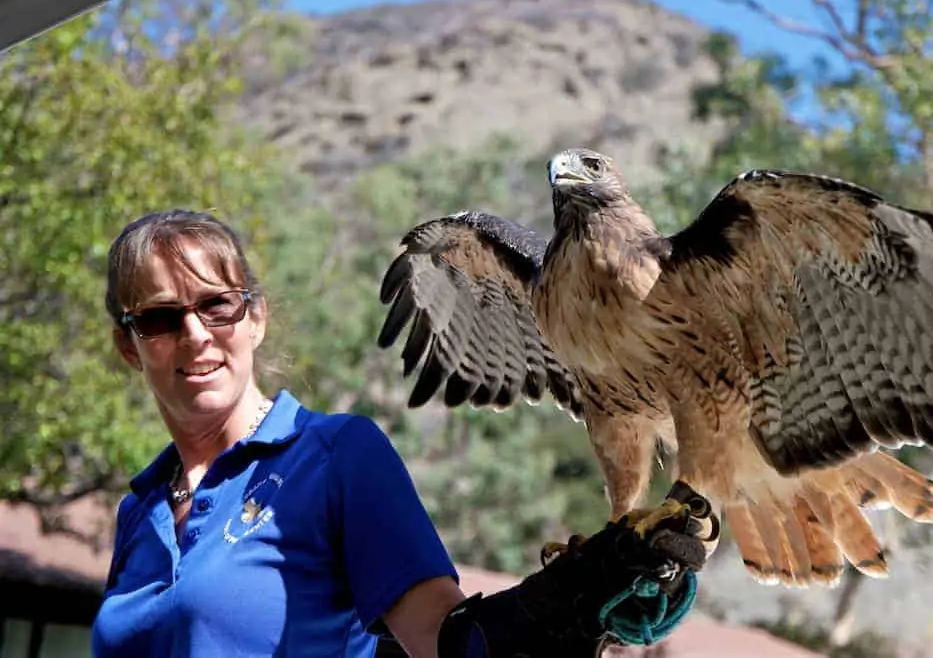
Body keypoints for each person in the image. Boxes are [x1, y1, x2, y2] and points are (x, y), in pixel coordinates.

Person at [90, 208, 713, 658]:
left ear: (254, 317)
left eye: (216, 305)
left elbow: (450, 647)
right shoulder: (138, 509)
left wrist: (575, 598)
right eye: (161, 319)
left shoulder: (333, 458)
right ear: (128, 346)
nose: (196, 334)